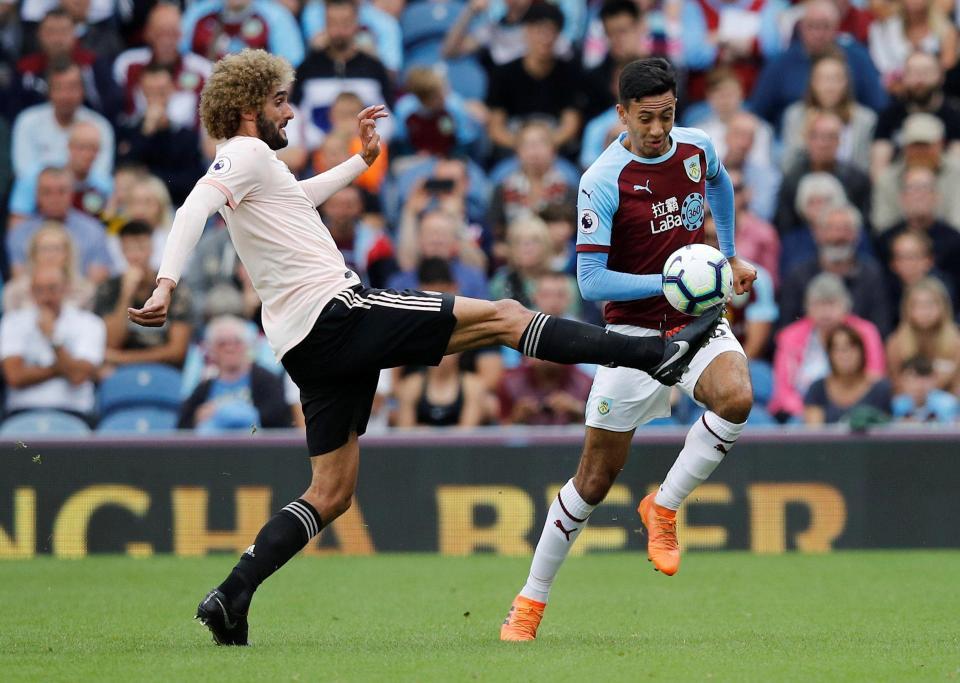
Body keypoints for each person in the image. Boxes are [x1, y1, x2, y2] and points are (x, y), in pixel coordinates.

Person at [127, 49, 722, 647]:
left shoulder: (261, 172)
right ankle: (652, 355)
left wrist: (357, 164)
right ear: (248, 108)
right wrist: (165, 284)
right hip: (338, 313)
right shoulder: (245, 151)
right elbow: (194, 203)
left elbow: (295, 199)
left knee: (330, 493)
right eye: (280, 102)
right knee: (504, 316)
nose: (289, 113)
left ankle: (232, 594)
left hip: (303, 346)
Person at [500, 57, 757, 641]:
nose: (659, 129)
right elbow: (591, 281)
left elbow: (720, 182)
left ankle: (663, 508)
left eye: (667, 115)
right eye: (647, 119)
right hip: (633, 338)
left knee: (737, 397)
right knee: (593, 480)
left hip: (695, 323)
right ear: (621, 114)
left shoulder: (696, 148)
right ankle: (530, 602)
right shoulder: (602, 178)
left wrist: (730, 255)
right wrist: (672, 280)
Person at [768, 272, 885, 420]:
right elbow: (783, 391)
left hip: (856, 409)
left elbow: (874, 377)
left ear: (846, 305)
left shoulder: (865, 332)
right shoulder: (789, 337)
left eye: (831, 304)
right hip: (802, 414)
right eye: (818, 305)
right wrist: (810, 412)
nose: (825, 313)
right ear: (807, 308)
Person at [0, 265, 104, 421]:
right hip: (20, 413)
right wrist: (62, 367)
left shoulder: (90, 323)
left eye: (52, 289)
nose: (46, 297)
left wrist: (53, 337)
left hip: (75, 413)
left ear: (66, 289)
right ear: (31, 291)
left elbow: (77, 376)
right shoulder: (12, 321)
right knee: (17, 444)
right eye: (39, 290)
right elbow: (15, 376)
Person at [96, 220, 193, 371]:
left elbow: (177, 351)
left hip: (165, 370)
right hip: (121, 373)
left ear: (151, 247)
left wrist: (122, 358)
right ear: (121, 250)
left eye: (141, 247)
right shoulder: (108, 288)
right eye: (129, 249)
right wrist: (126, 294)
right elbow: (111, 342)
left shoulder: (171, 286)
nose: (135, 256)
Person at [178, 315, 293, 431]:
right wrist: (196, 418)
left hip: (255, 441)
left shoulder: (267, 381)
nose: (230, 348)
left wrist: (225, 413)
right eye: (222, 344)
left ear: (248, 346)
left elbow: (280, 422)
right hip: (214, 445)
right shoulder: (202, 389)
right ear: (211, 351)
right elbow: (182, 430)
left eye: (236, 342)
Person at [112, 3, 212, 131]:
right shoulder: (127, 64)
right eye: (160, 33)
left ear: (181, 34)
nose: (166, 41)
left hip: (185, 145)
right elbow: (121, 114)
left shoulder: (203, 70)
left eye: (172, 33)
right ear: (147, 33)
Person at [780, 51, 877, 174]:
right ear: (812, 82)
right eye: (824, 79)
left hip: (849, 186)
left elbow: (864, 170)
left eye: (837, 79)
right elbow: (787, 168)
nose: (830, 86)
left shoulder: (865, 119)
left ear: (846, 83)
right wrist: (805, 136)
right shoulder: (795, 115)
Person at [871, 51, 960, 181]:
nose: (919, 80)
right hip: (900, 188)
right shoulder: (888, 116)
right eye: (913, 72)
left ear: (941, 76)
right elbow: (878, 169)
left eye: (926, 72)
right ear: (904, 77)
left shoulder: (955, 115)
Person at [803, 323, 891, 425]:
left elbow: (889, 429)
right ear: (829, 355)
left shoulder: (880, 389)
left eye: (850, 348)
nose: (845, 355)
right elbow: (815, 435)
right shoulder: (817, 389)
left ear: (862, 352)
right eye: (838, 349)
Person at [885, 277, 960, 392]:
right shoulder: (896, 342)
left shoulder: (956, 340)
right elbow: (894, 384)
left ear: (943, 307)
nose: (925, 311)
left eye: (930, 305)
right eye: (918, 305)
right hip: (908, 402)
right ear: (907, 309)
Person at [2, 221, 94, 312]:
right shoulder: (14, 292)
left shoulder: (85, 291)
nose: (50, 255)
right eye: (44, 249)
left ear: (67, 254)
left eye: (56, 248)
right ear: (33, 254)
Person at [891, 355, 959, 422]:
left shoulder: (948, 403)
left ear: (934, 379)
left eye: (923, 379)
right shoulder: (898, 404)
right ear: (901, 380)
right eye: (912, 379)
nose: (918, 385)